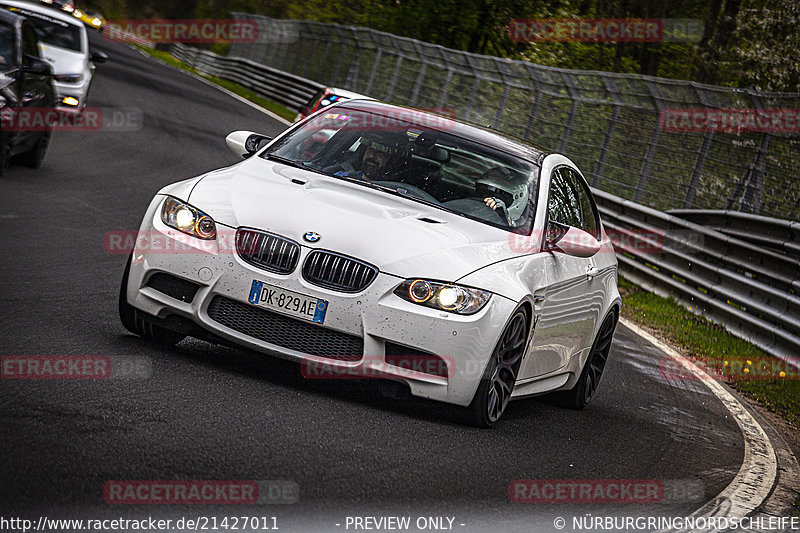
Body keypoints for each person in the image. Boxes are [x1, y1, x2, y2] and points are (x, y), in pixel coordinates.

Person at [334, 133, 408, 181]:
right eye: (370, 150)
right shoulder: (341, 177)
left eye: (380, 153)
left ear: (393, 160)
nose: (372, 156)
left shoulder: (398, 193)